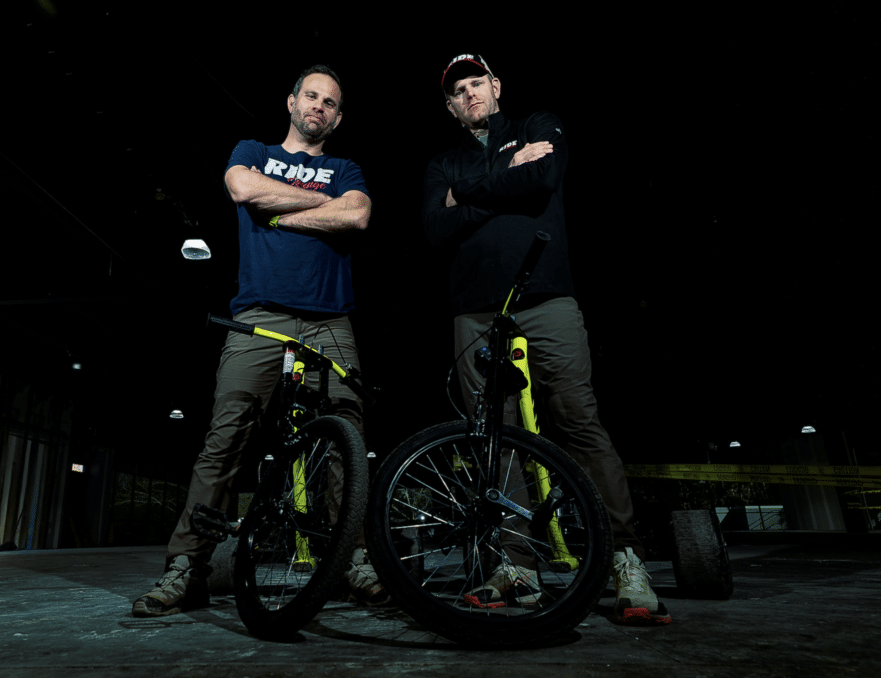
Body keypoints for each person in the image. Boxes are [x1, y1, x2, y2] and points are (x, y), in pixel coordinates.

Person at [422, 54, 671, 625]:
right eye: (458, 90)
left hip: (547, 298)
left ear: (496, 85)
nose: (469, 94)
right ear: (451, 106)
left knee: (577, 416)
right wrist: (498, 182)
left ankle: (624, 558)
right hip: (476, 311)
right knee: (494, 435)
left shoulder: (538, 125)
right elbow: (435, 226)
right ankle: (516, 568)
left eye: (476, 82)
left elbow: (545, 177)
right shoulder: (443, 162)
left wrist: (469, 195)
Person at [133, 65, 382, 617]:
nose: (318, 106)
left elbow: (359, 214)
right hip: (258, 317)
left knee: (347, 438)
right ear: (291, 102)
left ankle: (353, 562)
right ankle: (187, 568)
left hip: (329, 320)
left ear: (338, 118)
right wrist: (321, 207)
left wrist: (279, 213)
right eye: (310, 96)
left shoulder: (345, 167)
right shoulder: (253, 149)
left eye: (330, 102)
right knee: (225, 439)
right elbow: (243, 188)